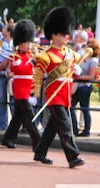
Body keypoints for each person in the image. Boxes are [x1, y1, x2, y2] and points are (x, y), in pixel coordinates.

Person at [33, 7, 85, 168]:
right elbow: (38, 76)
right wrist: (34, 94)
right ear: (54, 35)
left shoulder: (70, 54)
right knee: (65, 124)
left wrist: (76, 70)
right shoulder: (46, 55)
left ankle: (40, 152)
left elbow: (72, 73)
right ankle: (72, 156)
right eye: (63, 34)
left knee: (53, 128)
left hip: (65, 94)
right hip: (53, 95)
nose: (66, 37)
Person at [1, 19, 40, 149]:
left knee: (18, 116)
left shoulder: (30, 54)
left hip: (28, 87)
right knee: (29, 118)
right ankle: (38, 143)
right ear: (20, 43)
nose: (28, 45)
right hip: (20, 88)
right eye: (26, 42)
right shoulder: (14, 56)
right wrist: (32, 61)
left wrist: (36, 58)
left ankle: (8, 138)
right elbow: (19, 69)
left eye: (28, 42)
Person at [71, 39, 100, 137]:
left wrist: (78, 77)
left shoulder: (93, 61)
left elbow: (91, 76)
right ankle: (74, 129)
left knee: (84, 108)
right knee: (71, 106)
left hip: (85, 86)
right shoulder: (83, 58)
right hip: (77, 86)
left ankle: (86, 130)